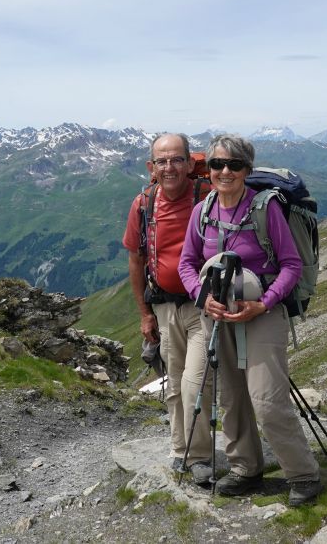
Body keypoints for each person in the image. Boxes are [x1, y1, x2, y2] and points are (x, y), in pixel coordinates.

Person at [178, 133, 323, 507]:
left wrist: (266, 303)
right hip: (218, 314)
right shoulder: (203, 211)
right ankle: (246, 467)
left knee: (267, 398)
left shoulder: (264, 208)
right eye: (217, 164)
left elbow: (291, 265)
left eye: (234, 165)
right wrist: (202, 296)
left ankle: (304, 474)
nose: (225, 172)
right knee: (231, 397)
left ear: (247, 169)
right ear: (208, 169)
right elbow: (186, 264)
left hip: (262, 313)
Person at [122, 133, 214, 486]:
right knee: (174, 381)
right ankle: (182, 450)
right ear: (151, 167)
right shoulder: (143, 204)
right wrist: (145, 314)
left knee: (195, 381)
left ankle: (201, 455)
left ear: (191, 164)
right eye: (162, 161)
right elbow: (136, 259)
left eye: (177, 159)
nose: (169, 167)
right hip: (163, 307)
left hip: (202, 305)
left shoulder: (206, 196)